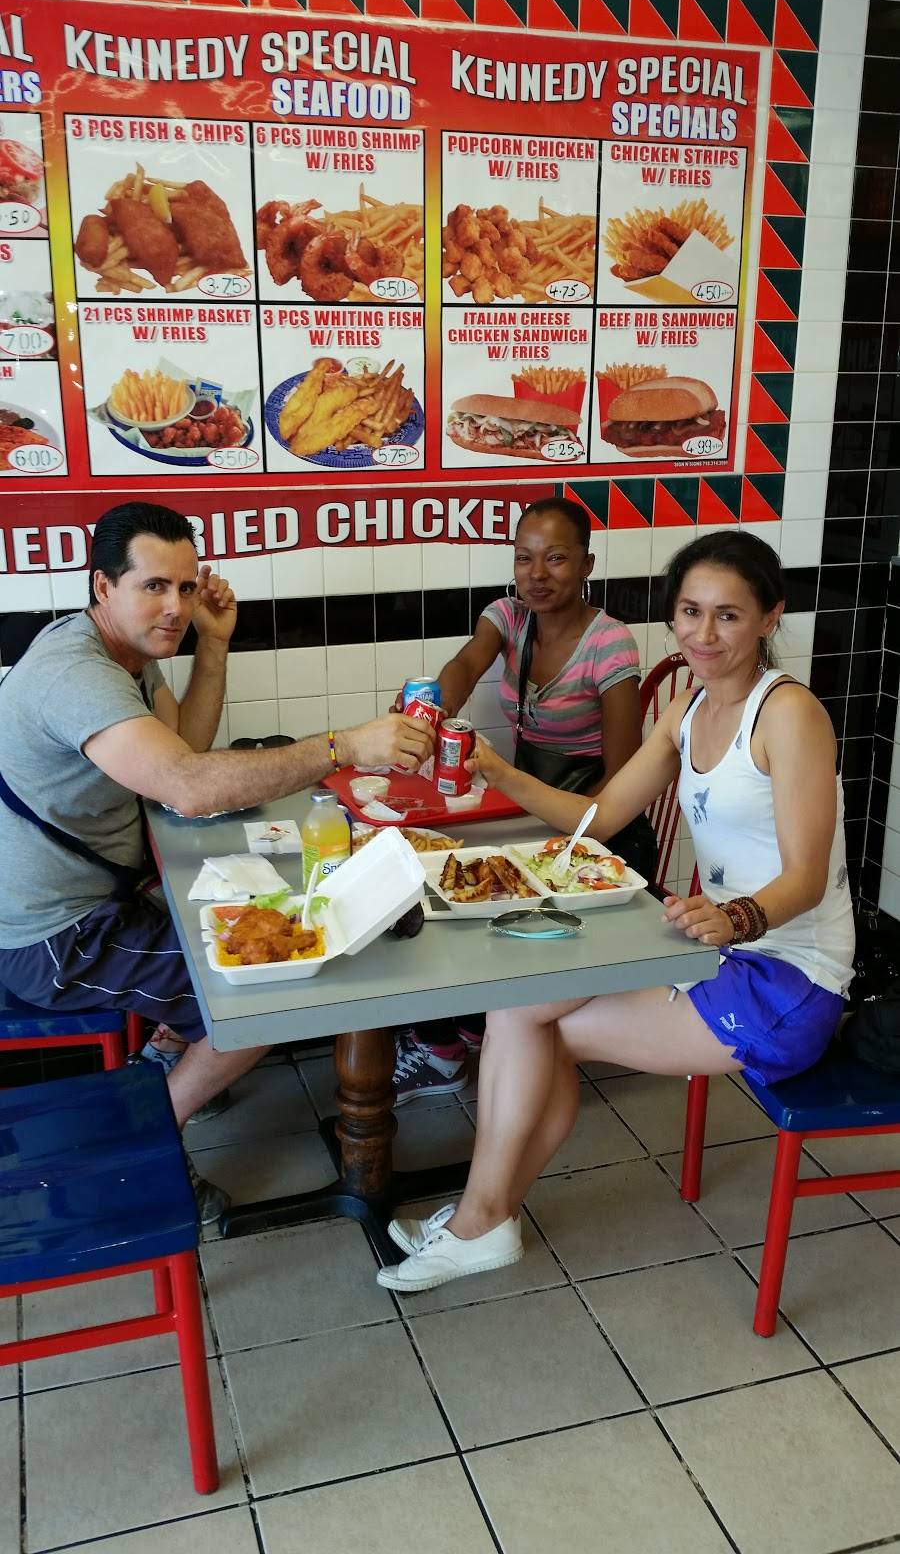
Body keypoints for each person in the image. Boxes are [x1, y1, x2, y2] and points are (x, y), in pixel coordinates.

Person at [378, 530, 856, 1291]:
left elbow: (803, 877)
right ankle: (484, 1216)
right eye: (691, 612)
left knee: (532, 1024)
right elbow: (597, 816)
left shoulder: (788, 713)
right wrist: (496, 769)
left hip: (787, 977)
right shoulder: (689, 710)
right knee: (522, 1009)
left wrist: (735, 919)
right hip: (714, 948)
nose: (704, 634)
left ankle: (482, 1220)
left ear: (770, 617)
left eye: (728, 615)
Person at [0, 502, 434, 1220]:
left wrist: (214, 644)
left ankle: (171, 1051)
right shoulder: (75, 674)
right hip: (51, 937)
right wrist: (345, 746)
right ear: (103, 586)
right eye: (154, 586)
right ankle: (145, 1143)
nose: (175, 606)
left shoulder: (123, 655)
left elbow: (185, 751)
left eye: (186, 586)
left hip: (93, 903)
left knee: (252, 931)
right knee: (265, 993)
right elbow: (189, 787)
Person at [392, 496, 657, 1105]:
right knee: (447, 880)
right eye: (524, 558)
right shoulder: (509, 618)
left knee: (477, 895)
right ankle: (465, 1027)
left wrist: (565, 841)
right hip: (531, 808)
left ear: (587, 565)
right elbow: (465, 664)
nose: (537, 574)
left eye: (556, 559)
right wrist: (428, 713)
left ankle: (450, 1043)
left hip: (600, 826)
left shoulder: (610, 644)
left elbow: (623, 774)